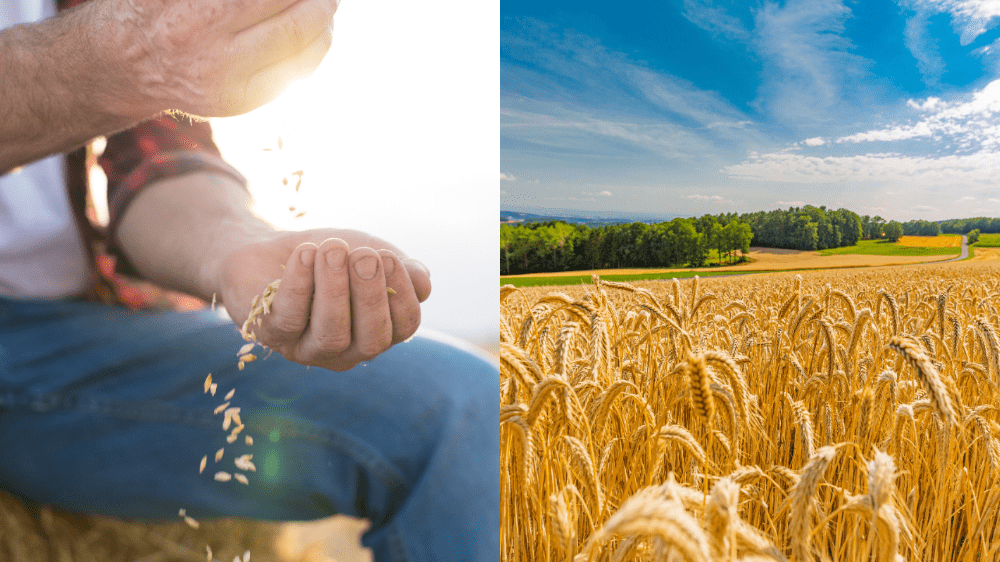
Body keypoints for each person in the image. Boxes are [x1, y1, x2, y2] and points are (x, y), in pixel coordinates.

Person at [0, 1, 499, 561]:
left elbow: (153, 161)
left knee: (465, 413)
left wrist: (234, 248)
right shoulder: (124, 41)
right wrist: (127, 58)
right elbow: (126, 65)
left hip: (75, 326)